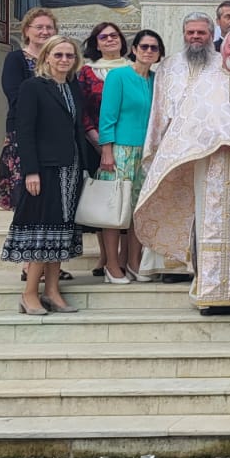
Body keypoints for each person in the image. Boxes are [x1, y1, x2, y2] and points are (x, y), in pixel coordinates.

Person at [135, 30, 230, 314]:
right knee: (211, 229)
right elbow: (188, 127)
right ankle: (212, 294)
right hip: (211, 167)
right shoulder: (203, 84)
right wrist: (216, 142)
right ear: (223, 49)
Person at [1, 36, 95, 315]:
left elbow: (76, 129)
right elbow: (25, 131)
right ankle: (29, 292)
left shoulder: (72, 88)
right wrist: (31, 170)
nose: (64, 60)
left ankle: (52, 291)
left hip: (71, 168)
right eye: (59, 55)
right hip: (45, 169)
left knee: (61, 232)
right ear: (46, 57)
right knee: (43, 232)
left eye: (69, 55)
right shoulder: (33, 87)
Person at [139, 13, 215, 282]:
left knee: (206, 209)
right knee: (174, 204)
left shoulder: (221, 64)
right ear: (184, 34)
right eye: (191, 32)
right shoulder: (169, 65)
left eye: (201, 33)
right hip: (174, 147)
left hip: (209, 148)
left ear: (211, 35)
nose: (195, 37)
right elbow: (158, 107)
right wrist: (155, 144)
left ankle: (202, 264)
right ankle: (174, 265)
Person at [97, 28, 162, 284]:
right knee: (116, 209)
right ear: (133, 49)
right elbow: (107, 115)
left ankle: (134, 262)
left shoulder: (156, 79)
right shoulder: (118, 76)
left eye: (153, 48)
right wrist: (107, 150)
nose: (148, 51)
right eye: (143, 46)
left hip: (147, 152)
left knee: (139, 209)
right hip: (121, 150)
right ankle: (112, 265)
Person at [76, 22, 131, 282]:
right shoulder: (87, 73)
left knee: (127, 197)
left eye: (114, 35)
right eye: (104, 37)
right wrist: (99, 142)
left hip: (131, 143)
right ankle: (104, 256)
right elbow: (83, 109)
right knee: (105, 198)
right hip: (96, 143)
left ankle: (122, 257)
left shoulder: (134, 68)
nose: (110, 40)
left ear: (122, 40)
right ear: (96, 43)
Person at [0, 8, 59, 212]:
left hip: (54, 136)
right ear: (26, 31)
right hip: (24, 132)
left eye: (49, 27)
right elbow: (14, 96)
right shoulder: (16, 59)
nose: (44, 31)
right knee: (26, 194)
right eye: (39, 27)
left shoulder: (59, 61)